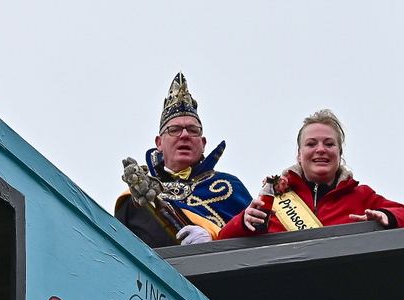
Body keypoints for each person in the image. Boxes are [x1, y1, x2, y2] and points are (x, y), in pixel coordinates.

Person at [220, 109, 404, 238]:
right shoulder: (273, 197)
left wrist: (387, 216)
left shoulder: (361, 196)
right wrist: (244, 222)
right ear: (299, 155)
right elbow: (222, 240)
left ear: (339, 154)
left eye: (329, 144)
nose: (321, 149)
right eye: (311, 144)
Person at [116, 73, 252, 247]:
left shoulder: (230, 187)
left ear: (203, 143)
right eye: (174, 130)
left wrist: (214, 239)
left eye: (193, 130)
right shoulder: (133, 201)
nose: (185, 135)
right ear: (159, 143)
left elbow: (256, 242)